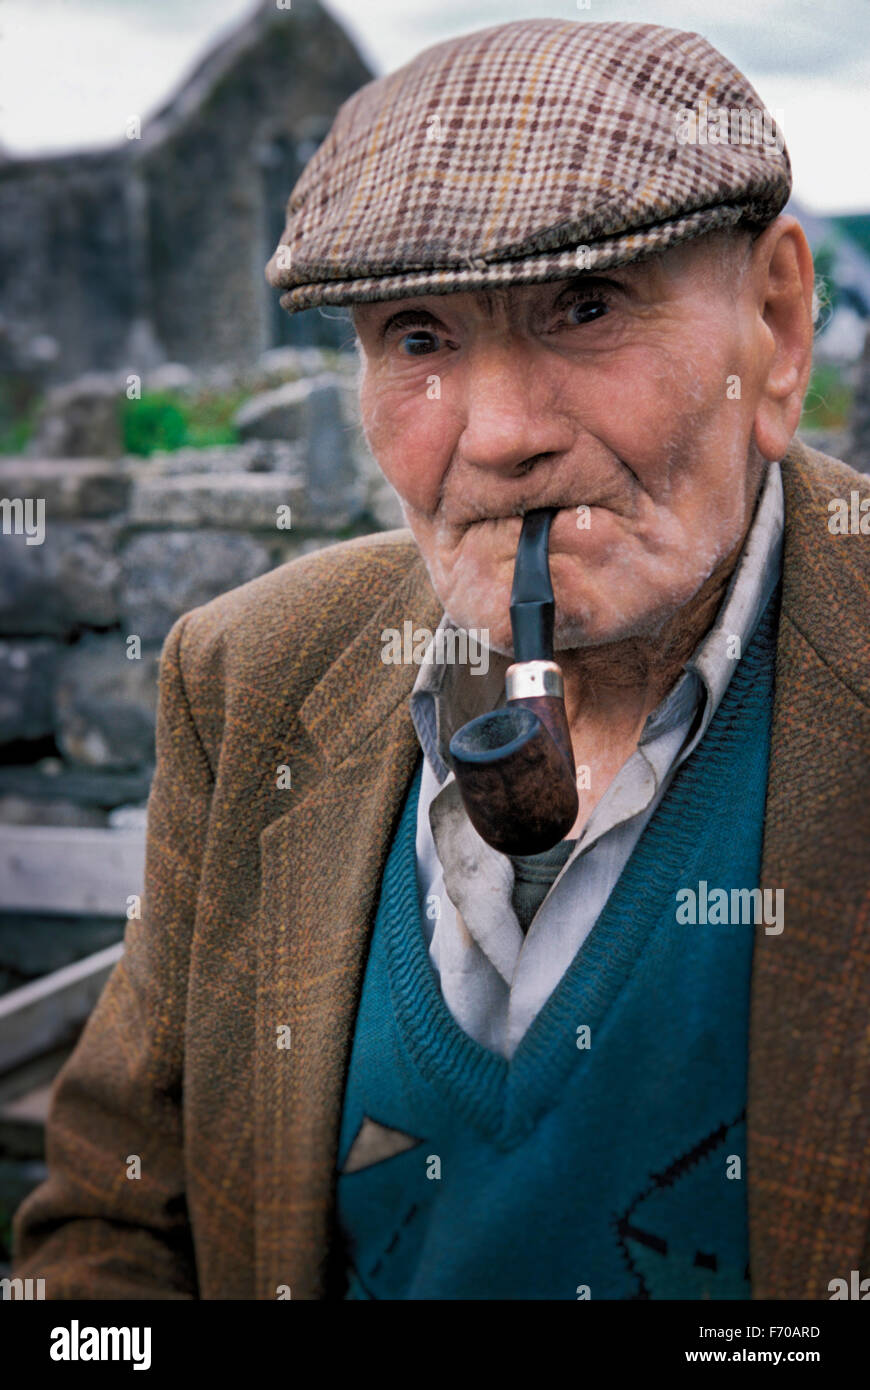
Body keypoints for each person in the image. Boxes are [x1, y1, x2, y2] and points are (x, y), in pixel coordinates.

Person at [13, 17, 870, 1301]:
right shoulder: (251, 675)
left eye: (587, 308)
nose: (502, 437)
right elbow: (118, 1216)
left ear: (778, 323)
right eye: (419, 337)